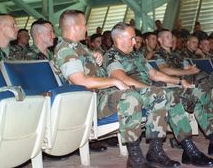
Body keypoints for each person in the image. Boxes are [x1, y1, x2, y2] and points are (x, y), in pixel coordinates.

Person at [103, 22, 213, 166]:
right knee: (168, 96)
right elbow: (122, 79)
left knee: (198, 93)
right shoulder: (111, 56)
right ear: (119, 39)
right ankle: (185, 148)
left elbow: (155, 74)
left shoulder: (136, 55)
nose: (135, 42)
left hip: (152, 91)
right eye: (131, 38)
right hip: (134, 94)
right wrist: (152, 89)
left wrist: (179, 81)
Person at [53, 10, 176, 167]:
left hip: (107, 94)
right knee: (130, 97)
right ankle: (135, 158)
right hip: (92, 101)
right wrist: (114, 81)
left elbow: (86, 63)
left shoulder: (79, 47)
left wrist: (94, 54)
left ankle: (155, 151)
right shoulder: (65, 48)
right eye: (84, 24)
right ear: (74, 26)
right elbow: (80, 81)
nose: (86, 28)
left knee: (157, 94)